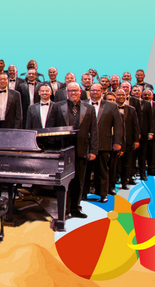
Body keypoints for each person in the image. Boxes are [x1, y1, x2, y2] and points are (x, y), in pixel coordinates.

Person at [53, 82, 98, 218]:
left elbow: (94, 131)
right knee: (64, 182)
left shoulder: (89, 109)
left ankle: (75, 208)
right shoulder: (57, 107)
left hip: (82, 150)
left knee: (79, 181)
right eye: (71, 91)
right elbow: (51, 128)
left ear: (80, 92)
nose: (74, 93)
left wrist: (93, 150)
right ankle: (64, 209)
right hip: (63, 150)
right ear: (67, 92)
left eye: (76, 91)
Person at [84, 83, 122, 203]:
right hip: (85, 144)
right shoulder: (82, 104)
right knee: (85, 171)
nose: (95, 92)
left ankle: (102, 194)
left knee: (102, 170)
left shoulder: (112, 106)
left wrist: (117, 142)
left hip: (104, 143)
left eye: (97, 90)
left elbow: (118, 126)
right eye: (92, 90)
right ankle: (83, 193)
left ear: (102, 92)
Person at [114, 90, 139, 190]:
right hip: (114, 140)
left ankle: (125, 181)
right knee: (115, 163)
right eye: (118, 94)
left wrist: (136, 140)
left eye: (123, 95)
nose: (121, 96)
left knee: (127, 162)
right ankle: (114, 180)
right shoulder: (111, 108)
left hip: (128, 140)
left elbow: (135, 126)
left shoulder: (131, 109)